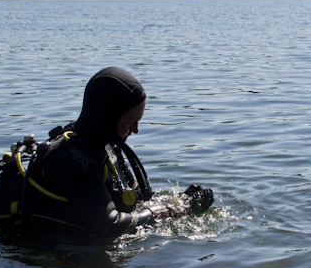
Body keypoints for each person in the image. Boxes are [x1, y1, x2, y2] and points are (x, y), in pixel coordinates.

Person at [20, 66, 213, 241]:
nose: (136, 129)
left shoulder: (105, 145)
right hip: (53, 258)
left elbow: (139, 200)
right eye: (130, 122)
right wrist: (169, 211)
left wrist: (181, 201)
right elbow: (109, 226)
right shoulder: (74, 161)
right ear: (107, 117)